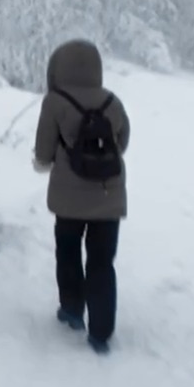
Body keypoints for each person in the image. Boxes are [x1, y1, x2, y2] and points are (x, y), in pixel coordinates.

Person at [33, 38, 130, 354]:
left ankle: (72, 309)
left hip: (69, 198)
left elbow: (44, 152)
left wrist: (49, 161)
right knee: (102, 262)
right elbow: (123, 141)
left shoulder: (55, 101)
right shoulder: (112, 101)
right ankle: (101, 333)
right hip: (109, 194)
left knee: (69, 251)